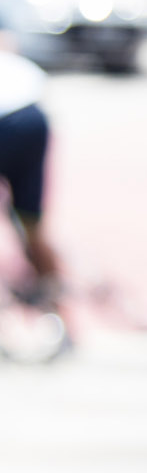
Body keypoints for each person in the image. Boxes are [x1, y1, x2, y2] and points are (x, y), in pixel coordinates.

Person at [0, 37, 59, 300]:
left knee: (28, 221)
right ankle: (52, 295)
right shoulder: (13, 56)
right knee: (30, 221)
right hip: (32, 117)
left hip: (12, 118)